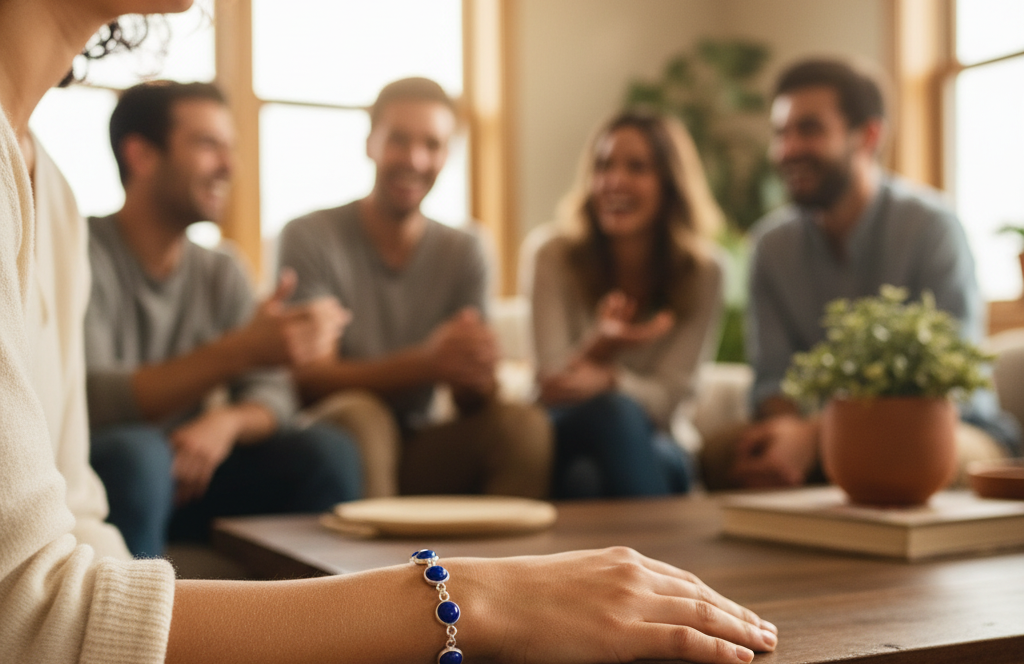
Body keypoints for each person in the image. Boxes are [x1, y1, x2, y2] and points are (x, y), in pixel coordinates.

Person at [0, 0, 777, 664]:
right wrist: (464, 595)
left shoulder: (39, 184)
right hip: (320, 445)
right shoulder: (282, 232)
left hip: (413, 445)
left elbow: (79, 537)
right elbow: (27, 631)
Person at [700, 57, 1019, 491]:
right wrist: (789, 436)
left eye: (809, 129)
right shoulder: (769, 247)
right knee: (721, 455)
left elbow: (945, 381)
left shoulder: (931, 227)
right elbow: (774, 381)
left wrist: (818, 433)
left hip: (941, 427)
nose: (787, 149)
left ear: (868, 135)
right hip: (809, 432)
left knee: (908, 453)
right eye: (781, 132)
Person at [84, 80, 362, 558]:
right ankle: (138, 625)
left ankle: (327, 626)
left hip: (197, 473)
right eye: (208, 145)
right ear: (142, 156)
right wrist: (239, 351)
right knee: (140, 454)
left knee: (329, 452)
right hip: (113, 472)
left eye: (230, 148)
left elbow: (273, 394)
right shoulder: (82, 252)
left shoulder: (222, 269)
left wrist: (227, 422)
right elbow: (96, 396)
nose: (230, 166)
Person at [279, 77, 552, 499]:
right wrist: (428, 362)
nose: (415, 159)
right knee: (365, 415)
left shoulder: (467, 248)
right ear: (370, 143)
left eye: (432, 145)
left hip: (420, 445)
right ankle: (382, 567)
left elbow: (468, 402)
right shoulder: (309, 235)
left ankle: (500, 568)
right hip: (334, 441)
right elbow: (309, 381)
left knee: (523, 426)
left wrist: (476, 372)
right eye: (399, 140)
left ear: (448, 155)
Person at [523, 111, 725, 498]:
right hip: (564, 428)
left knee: (587, 481)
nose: (614, 181)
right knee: (614, 414)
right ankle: (660, 560)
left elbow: (669, 402)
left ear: (670, 183)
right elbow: (549, 384)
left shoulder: (705, 272)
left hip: (657, 439)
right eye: (603, 166)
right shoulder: (551, 255)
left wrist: (611, 379)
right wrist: (600, 347)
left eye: (637, 167)